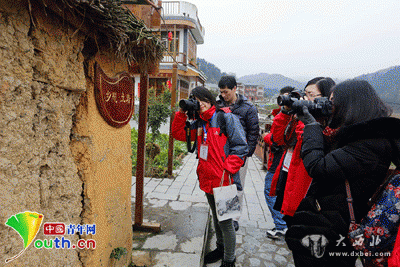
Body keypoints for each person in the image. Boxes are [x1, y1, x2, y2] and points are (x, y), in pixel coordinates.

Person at [288, 79, 400, 266]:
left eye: (333, 102)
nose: (329, 107)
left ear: (350, 105)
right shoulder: (356, 137)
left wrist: (311, 126)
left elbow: (318, 167)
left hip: (336, 228)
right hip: (330, 221)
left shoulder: (370, 143)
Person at [171, 86, 248, 267]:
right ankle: (220, 248)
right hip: (207, 179)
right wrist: (182, 112)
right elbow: (178, 134)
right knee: (215, 216)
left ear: (210, 100)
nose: (201, 104)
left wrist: (227, 170)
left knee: (227, 222)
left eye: (203, 99)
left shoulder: (224, 117)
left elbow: (241, 146)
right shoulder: (199, 122)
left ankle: (229, 260)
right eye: (196, 101)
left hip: (224, 180)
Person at [267, 77, 336, 239]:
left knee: (300, 228)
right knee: (290, 222)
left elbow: (305, 140)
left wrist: (306, 119)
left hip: (303, 182)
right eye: (304, 94)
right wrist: (285, 112)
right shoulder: (298, 117)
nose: (305, 99)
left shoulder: (325, 125)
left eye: (311, 95)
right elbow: (278, 139)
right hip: (287, 172)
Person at [217, 75, 260, 231]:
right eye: (221, 92)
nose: (223, 95)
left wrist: (246, 153)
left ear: (235, 88)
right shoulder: (218, 105)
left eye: (226, 92)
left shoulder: (248, 108)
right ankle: (224, 213)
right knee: (223, 183)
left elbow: (254, 132)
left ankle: (234, 218)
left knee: (237, 185)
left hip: (239, 154)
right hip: (222, 153)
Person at [262, 86, 295, 239]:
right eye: (283, 98)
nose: (285, 102)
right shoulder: (283, 114)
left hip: (280, 160)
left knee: (270, 190)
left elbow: (277, 139)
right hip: (280, 159)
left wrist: (267, 136)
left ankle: (281, 226)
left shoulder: (294, 116)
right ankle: (283, 225)